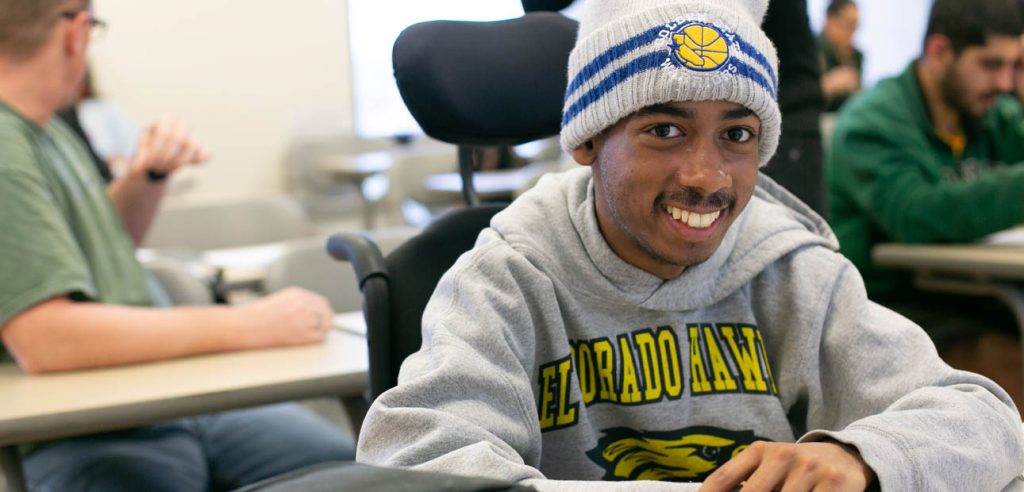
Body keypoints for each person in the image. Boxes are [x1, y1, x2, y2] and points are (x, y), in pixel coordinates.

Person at [356, 0, 1024, 489]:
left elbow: (985, 420)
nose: (706, 179)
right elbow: (411, 459)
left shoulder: (795, 268)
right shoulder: (506, 275)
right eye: (665, 131)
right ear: (588, 139)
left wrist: (861, 457)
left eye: (736, 136)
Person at [0, 1, 354, 490]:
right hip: (81, 430)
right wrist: (249, 322)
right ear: (76, 34)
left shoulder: (45, 130)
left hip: (165, 404)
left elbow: (98, 248)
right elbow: (48, 340)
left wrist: (148, 177)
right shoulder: (5, 149)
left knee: (359, 470)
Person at [827, 0, 1024, 408]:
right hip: (892, 314)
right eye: (991, 64)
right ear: (938, 52)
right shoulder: (871, 123)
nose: (1006, 82)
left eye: (1014, 65)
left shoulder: (987, 112)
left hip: (976, 297)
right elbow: (915, 213)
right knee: (1010, 380)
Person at [819, 0, 862, 112]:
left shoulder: (855, 55)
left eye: (855, 26)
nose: (852, 33)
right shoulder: (812, 50)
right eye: (848, 25)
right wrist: (829, 84)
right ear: (829, 20)